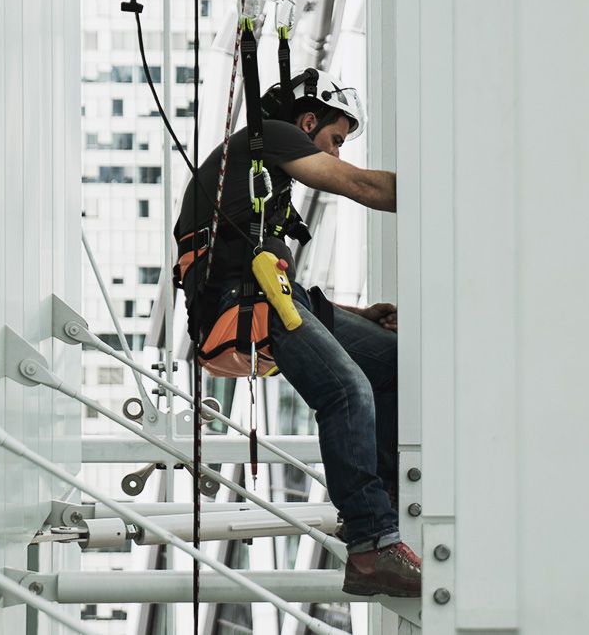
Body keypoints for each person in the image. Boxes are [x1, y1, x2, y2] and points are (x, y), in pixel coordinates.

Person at [172, 69, 420, 598]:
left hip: (272, 294)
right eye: (334, 140)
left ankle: (383, 513)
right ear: (309, 120)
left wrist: (356, 313)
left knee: (394, 363)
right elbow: (362, 186)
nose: (335, 153)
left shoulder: (261, 176)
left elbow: (276, 274)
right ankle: (373, 545)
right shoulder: (273, 134)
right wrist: (447, 196)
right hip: (248, 300)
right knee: (347, 390)